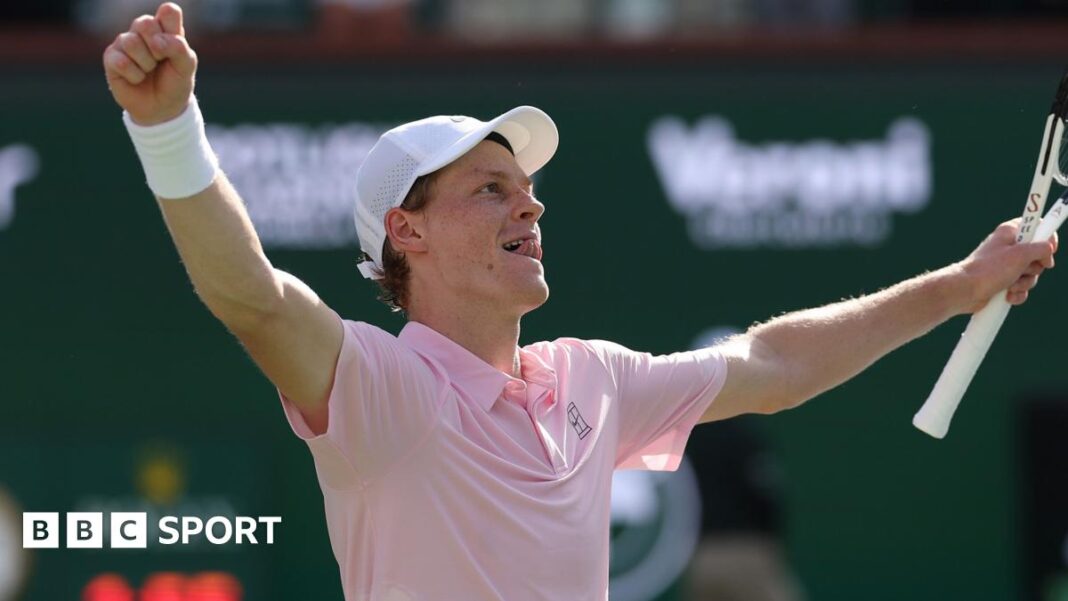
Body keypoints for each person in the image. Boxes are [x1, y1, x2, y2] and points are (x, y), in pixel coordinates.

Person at [102, 4, 1057, 600]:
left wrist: (960, 285)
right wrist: (168, 129)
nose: (529, 202)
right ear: (407, 231)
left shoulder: (588, 380)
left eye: (525, 187)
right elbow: (253, 299)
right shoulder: (379, 389)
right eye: (489, 188)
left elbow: (772, 364)